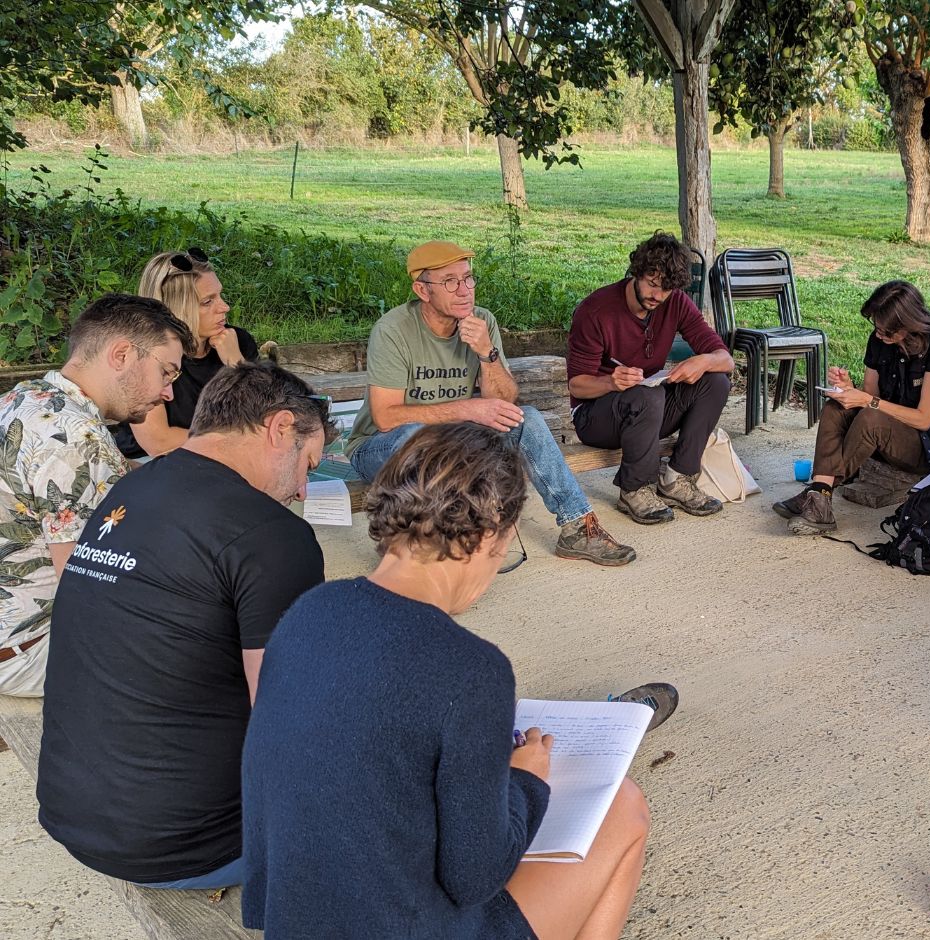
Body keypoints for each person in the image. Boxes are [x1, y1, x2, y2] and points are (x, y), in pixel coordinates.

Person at [242, 423, 665, 939]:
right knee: (622, 806)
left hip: (296, 923)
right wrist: (526, 781)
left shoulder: (306, 612)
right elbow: (476, 876)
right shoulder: (472, 671)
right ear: (490, 534)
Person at [36, 362, 332, 889]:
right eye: (309, 464)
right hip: (193, 847)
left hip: (72, 816)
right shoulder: (272, 534)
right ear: (280, 427)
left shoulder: (129, 491)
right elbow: (288, 722)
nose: (303, 490)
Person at [344, 240, 634, 566]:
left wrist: (486, 351)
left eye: (468, 278)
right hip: (382, 449)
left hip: (453, 444)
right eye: (450, 282)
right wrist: (468, 409)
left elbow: (504, 401)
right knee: (414, 436)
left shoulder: (483, 321)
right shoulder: (394, 330)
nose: (465, 290)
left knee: (526, 419)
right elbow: (386, 418)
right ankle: (438, 545)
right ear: (423, 291)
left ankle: (578, 527)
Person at [0, 293, 189, 698]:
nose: (168, 393)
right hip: (29, 650)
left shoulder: (27, 399)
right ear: (121, 354)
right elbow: (90, 586)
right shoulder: (77, 439)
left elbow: (118, 479)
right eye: (167, 373)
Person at [774, 280, 930, 536]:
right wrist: (849, 389)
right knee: (836, 407)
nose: (879, 335)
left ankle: (818, 493)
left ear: (909, 325)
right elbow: (871, 396)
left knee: (871, 418)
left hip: (928, 445)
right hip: (885, 432)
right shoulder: (879, 340)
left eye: (886, 331)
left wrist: (867, 402)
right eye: (876, 327)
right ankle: (820, 494)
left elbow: (924, 419)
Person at [567, 233, 731, 524]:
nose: (658, 296)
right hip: (596, 417)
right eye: (652, 284)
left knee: (715, 381)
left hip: (648, 409)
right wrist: (610, 382)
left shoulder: (675, 302)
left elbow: (725, 359)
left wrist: (703, 360)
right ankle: (635, 489)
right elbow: (577, 385)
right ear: (637, 272)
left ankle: (677, 479)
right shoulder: (596, 310)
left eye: (666, 289)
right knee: (648, 396)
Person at [112, 248, 258, 458]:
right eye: (208, 301)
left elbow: (265, 419)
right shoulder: (146, 354)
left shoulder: (237, 343)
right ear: (176, 308)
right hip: (150, 465)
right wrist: (236, 438)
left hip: (224, 459)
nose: (225, 307)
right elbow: (159, 442)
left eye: (220, 295)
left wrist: (237, 366)